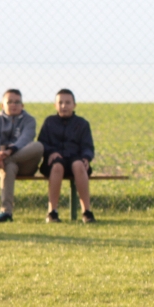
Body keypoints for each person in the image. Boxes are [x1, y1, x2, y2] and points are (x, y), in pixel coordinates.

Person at [0, 88, 43, 222]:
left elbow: (26, 139)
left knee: (38, 146)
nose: (13, 105)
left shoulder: (29, 120)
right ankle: (6, 212)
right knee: (9, 166)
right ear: (2, 105)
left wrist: (9, 151)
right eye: (10, 102)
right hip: (1, 164)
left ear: (22, 105)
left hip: (25, 163)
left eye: (17, 102)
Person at [37, 89, 94, 223]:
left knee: (79, 165)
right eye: (60, 103)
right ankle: (52, 212)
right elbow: (41, 143)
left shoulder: (82, 124)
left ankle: (87, 212)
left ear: (74, 105)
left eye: (68, 102)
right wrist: (50, 152)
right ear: (55, 105)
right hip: (54, 162)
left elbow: (88, 145)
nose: (64, 106)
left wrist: (86, 157)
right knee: (57, 166)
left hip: (75, 159)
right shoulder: (49, 122)